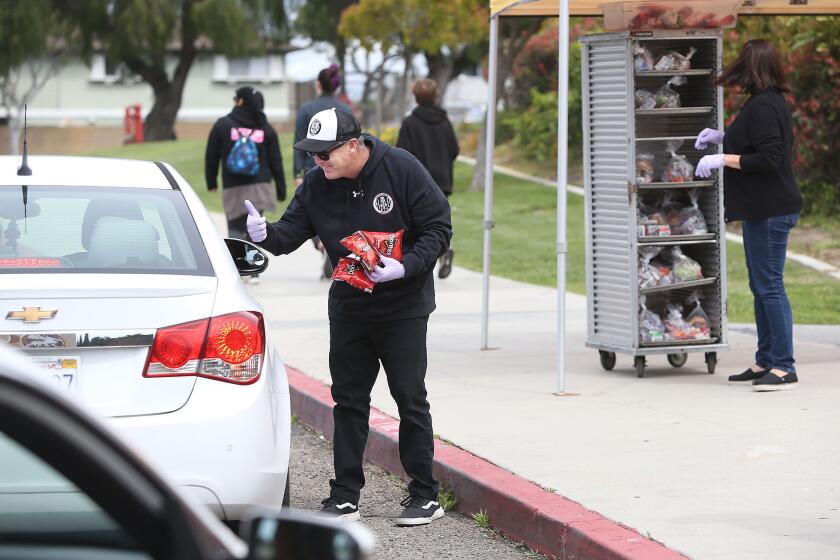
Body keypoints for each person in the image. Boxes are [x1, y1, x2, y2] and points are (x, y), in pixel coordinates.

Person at [245, 108, 452, 526]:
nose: (318, 163)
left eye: (325, 154)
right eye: (312, 155)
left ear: (353, 145)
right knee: (349, 401)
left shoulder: (400, 169)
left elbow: (438, 227)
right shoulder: (318, 184)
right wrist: (265, 234)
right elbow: (291, 232)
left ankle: (425, 494)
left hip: (402, 307)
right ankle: (344, 496)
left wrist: (407, 265)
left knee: (409, 397)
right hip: (349, 307)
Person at [693, 39, 802, 391]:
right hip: (764, 208)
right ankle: (766, 360)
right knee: (761, 286)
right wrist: (723, 138)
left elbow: (770, 158)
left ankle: (784, 367)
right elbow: (757, 142)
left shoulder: (765, 106)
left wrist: (721, 159)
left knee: (770, 287)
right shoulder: (765, 104)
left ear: (753, 69)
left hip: (771, 210)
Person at [205, 86, 286, 284]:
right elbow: (276, 159)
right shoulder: (265, 128)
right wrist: (281, 188)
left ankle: (237, 270)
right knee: (255, 226)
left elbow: (211, 155)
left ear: (240, 101)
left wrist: (211, 181)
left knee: (234, 225)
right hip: (260, 184)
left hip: (233, 185)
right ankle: (255, 271)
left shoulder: (223, 125)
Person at [293, 64, 352, 279]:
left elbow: (299, 144)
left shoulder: (306, 109)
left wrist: (297, 174)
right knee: (338, 213)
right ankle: (334, 251)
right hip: (341, 170)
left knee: (312, 214)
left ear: (318, 84)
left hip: (314, 171)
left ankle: (321, 244)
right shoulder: (345, 109)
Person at [397, 78, 459, 279]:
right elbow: (454, 149)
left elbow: (402, 154)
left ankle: (421, 258)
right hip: (442, 180)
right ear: (435, 96)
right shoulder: (445, 121)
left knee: (418, 222)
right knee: (440, 220)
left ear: (415, 97)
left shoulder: (410, 123)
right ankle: (445, 249)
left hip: (418, 182)